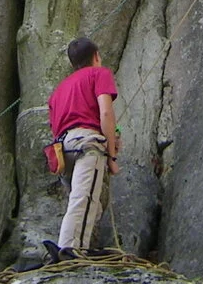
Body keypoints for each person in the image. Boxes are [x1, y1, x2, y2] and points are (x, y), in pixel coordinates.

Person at [46, 37, 120, 257]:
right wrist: (112, 157)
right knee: (84, 199)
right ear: (96, 56)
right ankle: (70, 251)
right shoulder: (99, 74)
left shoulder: (59, 90)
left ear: (72, 64)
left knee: (84, 202)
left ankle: (77, 246)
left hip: (62, 148)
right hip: (87, 143)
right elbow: (106, 112)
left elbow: (55, 125)